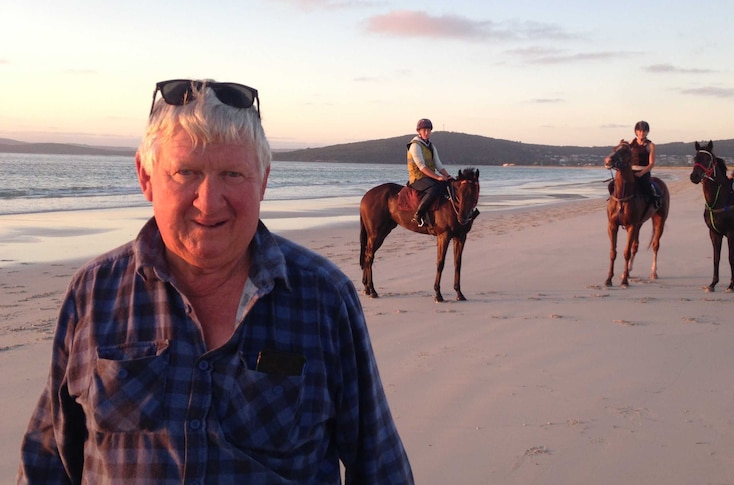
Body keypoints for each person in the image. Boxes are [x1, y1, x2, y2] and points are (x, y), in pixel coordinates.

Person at [17, 79, 413, 483]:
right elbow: (46, 464)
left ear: (263, 179)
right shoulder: (93, 293)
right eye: (186, 172)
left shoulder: (324, 298)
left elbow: (380, 466)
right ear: (145, 176)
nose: (208, 202)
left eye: (233, 174)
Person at [407, 118, 453, 227]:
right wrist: (438, 177)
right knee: (435, 188)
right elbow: (421, 166)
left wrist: (448, 176)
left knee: (448, 185)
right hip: (417, 179)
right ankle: (418, 215)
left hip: (429, 178)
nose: (427, 133)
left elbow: (438, 165)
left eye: (428, 130)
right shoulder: (415, 146)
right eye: (424, 130)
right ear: (419, 131)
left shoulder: (431, 146)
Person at [630, 120, 661, 208]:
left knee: (646, 188)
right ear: (636, 131)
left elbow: (651, 164)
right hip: (631, 170)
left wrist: (641, 173)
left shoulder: (650, 145)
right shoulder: (630, 143)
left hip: (643, 171)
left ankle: (653, 203)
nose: (642, 133)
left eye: (644, 131)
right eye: (640, 130)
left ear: (647, 132)